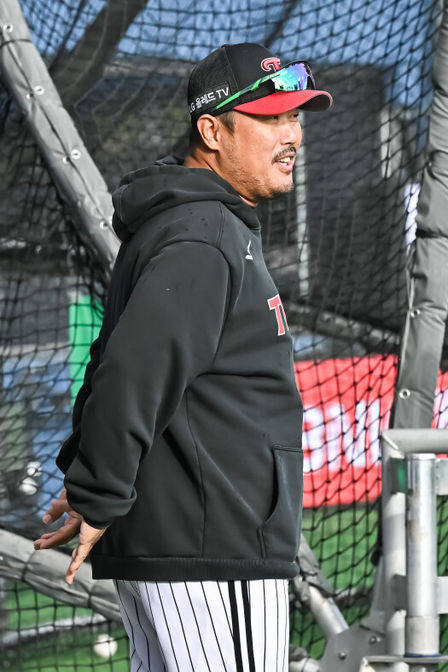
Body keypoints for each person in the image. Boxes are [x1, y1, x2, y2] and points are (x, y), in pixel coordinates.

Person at [33, 43, 332, 670]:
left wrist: (91, 481)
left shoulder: (196, 224)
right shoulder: (202, 232)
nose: (293, 135)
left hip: (190, 543)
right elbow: (133, 372)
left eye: (296, 117)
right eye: (271, 118)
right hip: (210, 546)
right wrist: (98, 487)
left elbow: (113, 357)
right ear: (212, 131)